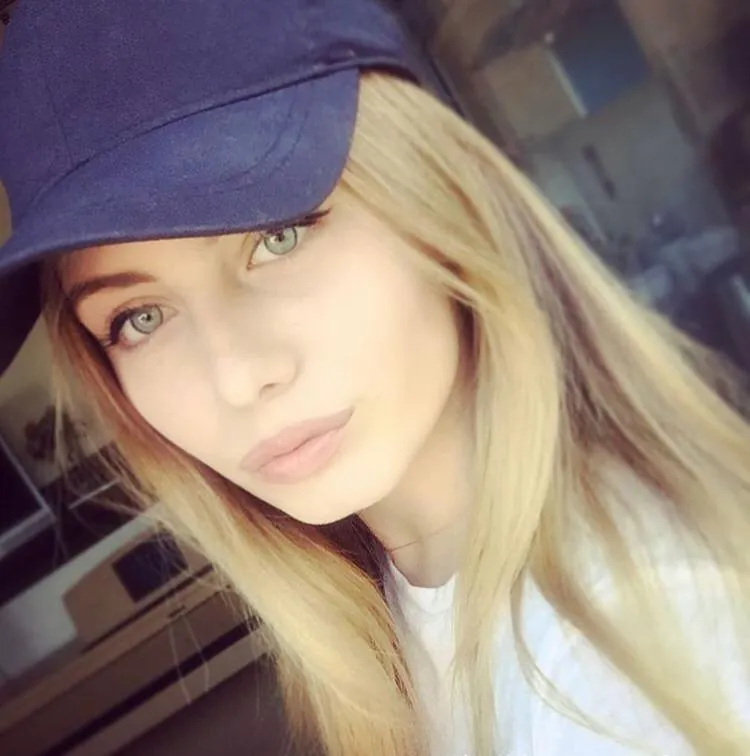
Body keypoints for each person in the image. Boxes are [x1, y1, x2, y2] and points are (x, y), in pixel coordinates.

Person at [1, 2, 749, 754]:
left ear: (433, 192)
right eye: (140, 318)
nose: (236, 378)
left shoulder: (621, 663)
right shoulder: (401, 600)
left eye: (278, 235)